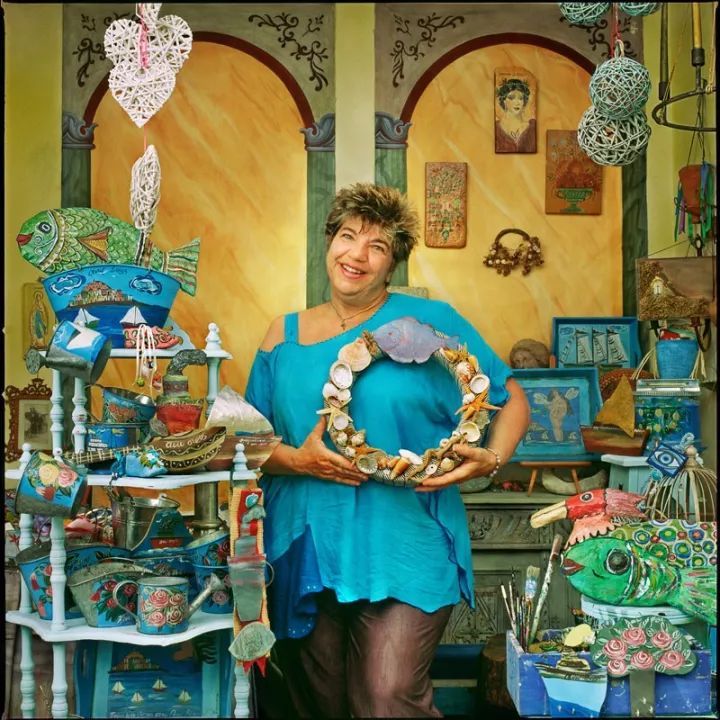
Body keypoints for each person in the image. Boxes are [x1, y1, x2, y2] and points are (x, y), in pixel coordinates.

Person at [246, 183, 530, 718]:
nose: (356, 254)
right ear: (328, 241)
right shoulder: (281, 336)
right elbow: (247, 442)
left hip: (405, 540)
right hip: (306, 539)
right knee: (320, 704)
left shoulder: (431, 322)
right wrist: (298, 461)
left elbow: (512, 398)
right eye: (347, 236)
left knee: (387, 696)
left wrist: (491, 459)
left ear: (392, 264)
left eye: (376, 246)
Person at [495, 77, 536, 153]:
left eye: (520, 98)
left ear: (524, 102)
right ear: (504, 100)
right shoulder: (496, 128)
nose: (517, 102)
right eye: (511, 98)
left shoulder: (532, 127)